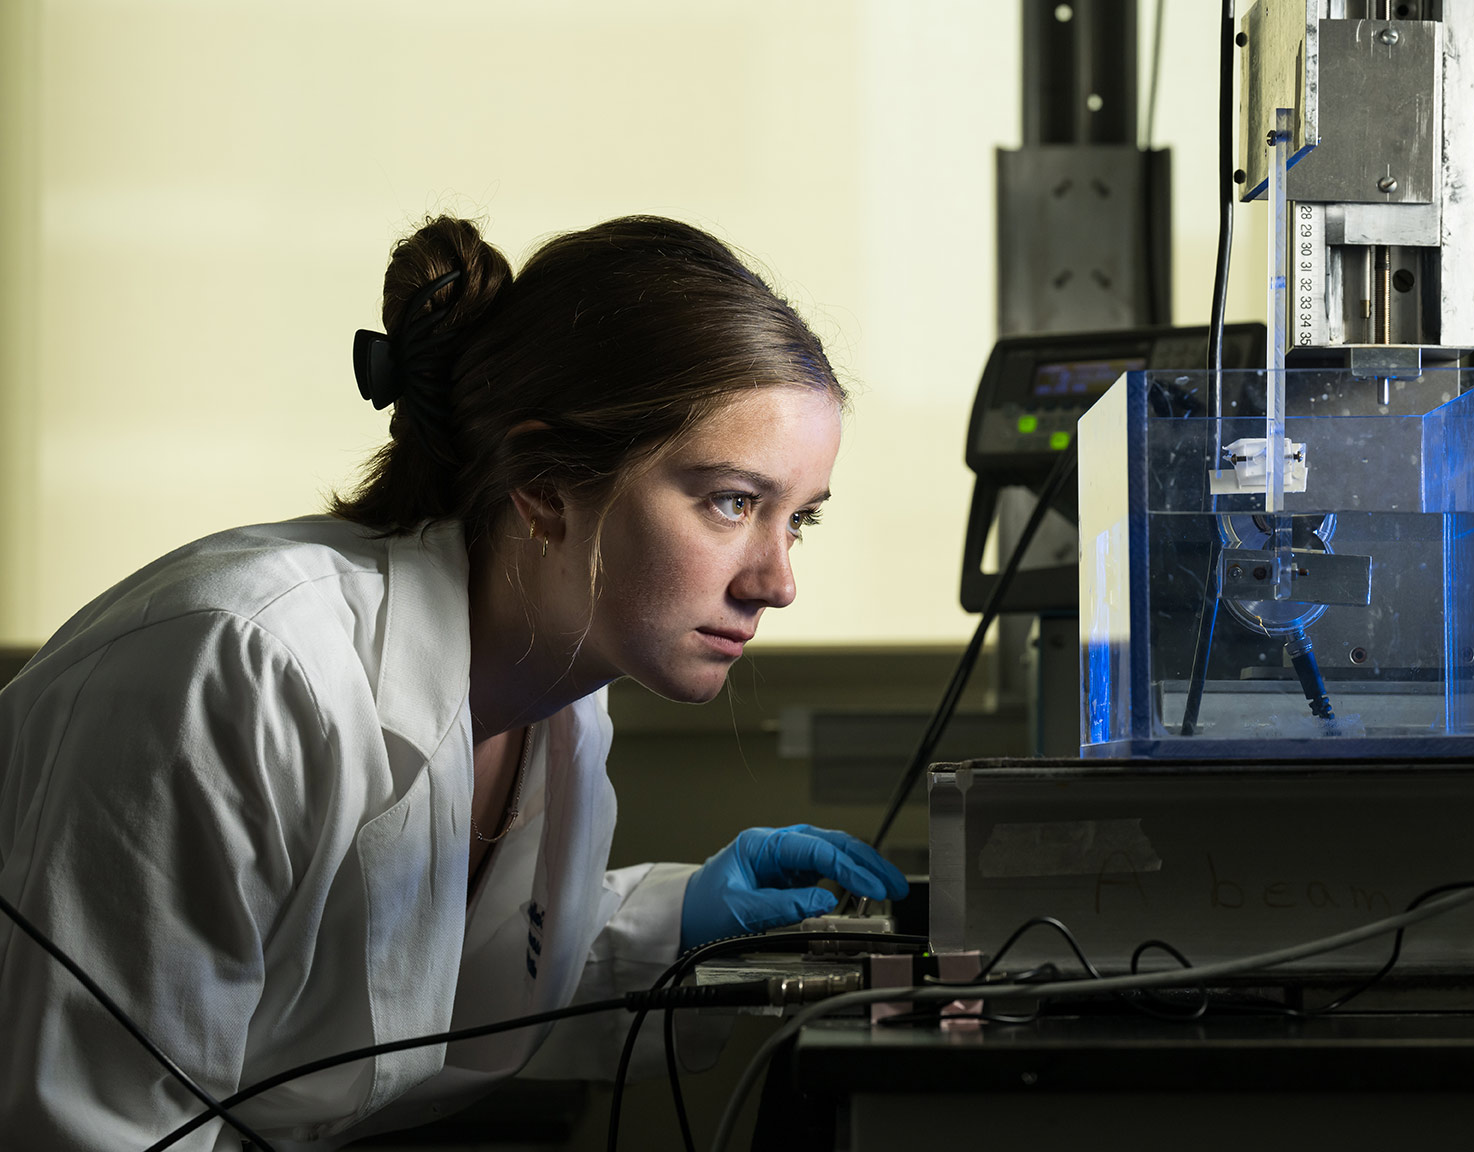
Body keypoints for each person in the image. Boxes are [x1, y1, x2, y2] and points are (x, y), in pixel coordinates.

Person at [0, 214, 907, 1150]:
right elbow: (91, 1127)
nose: (778, 581)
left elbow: (425, 980)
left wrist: (682, 925)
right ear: (544, 483)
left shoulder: (560, 692)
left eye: (800, 519)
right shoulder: (244, 672)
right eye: (732, 502)